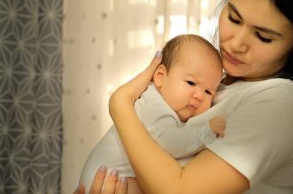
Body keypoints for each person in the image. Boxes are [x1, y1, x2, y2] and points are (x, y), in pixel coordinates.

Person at [77, 0, 293, 194]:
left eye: (263, 37)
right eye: (233, 18)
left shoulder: (279, 102)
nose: (236, 44)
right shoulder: (212, 79)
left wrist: (120, 104)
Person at [78, 34, 226, 191]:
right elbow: (170, 143)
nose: (199, 96)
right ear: (160, 76)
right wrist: (204, 132)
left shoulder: (167, 105)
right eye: (191, 82)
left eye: (209, 92)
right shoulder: (155, 104)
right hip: (105, 181)